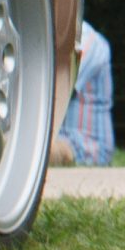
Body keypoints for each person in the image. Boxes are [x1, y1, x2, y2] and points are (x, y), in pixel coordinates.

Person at [47, 18, 114, 167]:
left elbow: (56, 85)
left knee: (40, 150)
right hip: (56, 139)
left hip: (86, 145)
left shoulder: (88, 40)